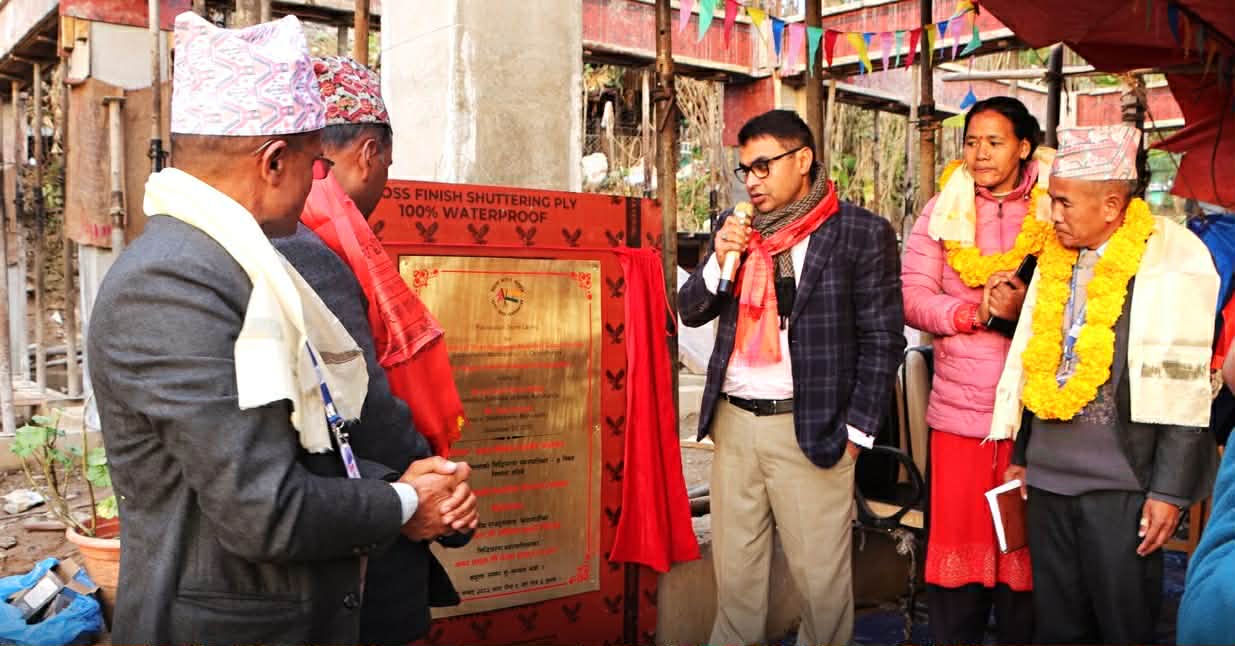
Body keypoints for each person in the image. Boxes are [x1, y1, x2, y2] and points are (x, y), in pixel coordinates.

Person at [87, 14, 476, 645]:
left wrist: (416, 487)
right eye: (313, 163)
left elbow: (318, 437)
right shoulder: (171, 284)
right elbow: (263, 508)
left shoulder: (244, 260)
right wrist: (406, 502)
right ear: (274, 162)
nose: (316, 184)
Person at [679, 109, 904, 646]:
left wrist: (856, 434)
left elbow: (883, 340)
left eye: (764, 166)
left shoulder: (859, 233)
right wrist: (720, 258)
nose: (752, 181)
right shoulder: (735, 229)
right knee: (736, 580)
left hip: (813, 429)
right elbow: (691, 310)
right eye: (745, 170)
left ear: (802, 160)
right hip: (735, 424)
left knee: (821, 588)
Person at [989, 124, 1220, 644]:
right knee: (1056, 628)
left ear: (1113, 206)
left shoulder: (1169, 263)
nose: (1053, 214)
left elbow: (1181, 378)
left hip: (1123, 488)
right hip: (1047, 482)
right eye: (1052, 200)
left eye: (1065, 203)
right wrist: (1024, 454)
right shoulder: (1052, 258)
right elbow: (1035, 358)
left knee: (1122, 627)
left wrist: (1168, 491)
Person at [272, 56, 467, 645]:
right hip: (360, 528)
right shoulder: (316, 248)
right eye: (387, 164)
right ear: (368, 153)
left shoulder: (276, 231)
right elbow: (364, 406)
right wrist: (436, 491)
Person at [901, 96, 1048, 644]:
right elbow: (912, 298)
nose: (980, 153)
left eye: (994, 141)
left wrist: (1022, 308)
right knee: (958, 557)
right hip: (960, 419)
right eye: (971, 141)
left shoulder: (1054, 206)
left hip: (1033, 417)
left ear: (1024, 147)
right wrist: (974, 313)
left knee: (1023, 551)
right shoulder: (943, 210)